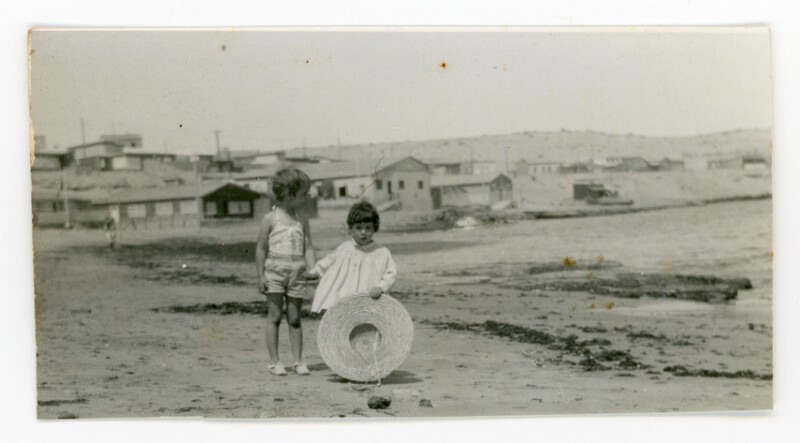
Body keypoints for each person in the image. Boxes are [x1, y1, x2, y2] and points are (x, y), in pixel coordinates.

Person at [255, 167, 316, 376]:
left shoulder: (302, 220)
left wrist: (313, 268)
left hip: (297, 274)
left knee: (295, 318)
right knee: (274, 316)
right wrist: (260, 276)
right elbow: (261, 249)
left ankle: (298, 361)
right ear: (289, 194)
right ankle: (274, 362)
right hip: (274, 273)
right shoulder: (270, 219)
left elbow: (308, 246)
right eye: (304, 193)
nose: (308, 197)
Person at [305, 201, 397, 313]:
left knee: (369, 318)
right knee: (347, 318)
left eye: (368, 228)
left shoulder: (381, 252)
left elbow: (390, 273)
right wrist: (315, 271)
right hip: (348, 296)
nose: (363, 232)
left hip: (371, 296)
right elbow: (329, 261)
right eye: (358, 228)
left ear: (374, 228)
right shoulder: (346, 248)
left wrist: (381, 287)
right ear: (351, 228)